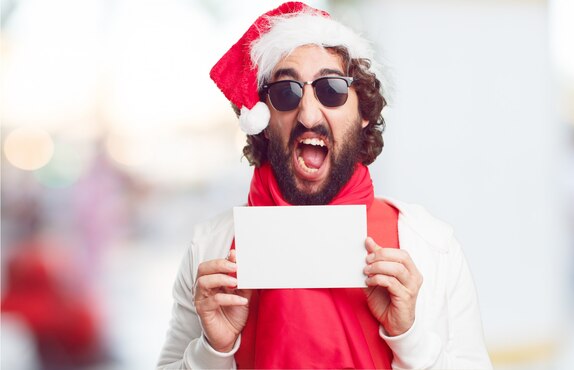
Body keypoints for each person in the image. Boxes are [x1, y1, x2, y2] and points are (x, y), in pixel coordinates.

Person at [157, 2, 491, 369]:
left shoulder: (431, 245)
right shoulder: (210, 251)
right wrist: (213, 349)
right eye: (286, 92)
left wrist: (409, 335)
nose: (309, 114)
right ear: (265, 120)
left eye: (331, 90)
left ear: (364, 112)